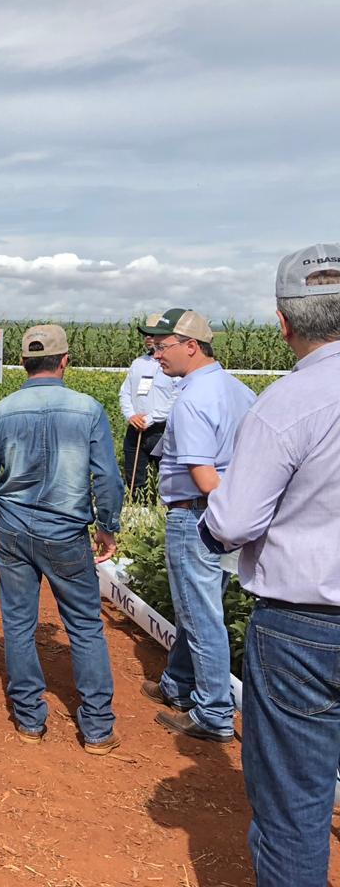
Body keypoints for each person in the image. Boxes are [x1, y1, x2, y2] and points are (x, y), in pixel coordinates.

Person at [201, 244, 340, 887]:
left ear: (282, 322)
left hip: (305, 629)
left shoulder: (286, 404)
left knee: (294, 810)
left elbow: (233, 522)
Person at [0, 325, 124, 753]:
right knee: (86, 626)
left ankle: (30, 719)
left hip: (14, 532)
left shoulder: (0, 413)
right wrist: (107, 525)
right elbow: (107, 477)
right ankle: (96, 728)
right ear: (65, 360)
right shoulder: (87, 409)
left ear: (22, 363)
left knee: (18, 624)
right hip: (67, 532)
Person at [139, 308, 255, 743]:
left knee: (201, 614)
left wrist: (219, 510)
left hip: (196, 513)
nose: (156, 356)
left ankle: (213, 712)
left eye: (162, 346)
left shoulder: (191, 399)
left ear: (192, 346)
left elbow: (204, 475)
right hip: (225, 516)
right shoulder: (240, 391)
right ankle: (176, 683)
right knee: (199, 604)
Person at [118, 314, 178, 500]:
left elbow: (176, 398)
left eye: (153, 334)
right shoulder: (138, 363)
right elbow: (125, 393)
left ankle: (162, 514)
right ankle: (137, 511)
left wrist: (150, 418)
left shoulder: (173, 366)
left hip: (161, 430)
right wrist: (131, 416)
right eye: (147, 334)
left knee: (166, 479)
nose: (148, 338)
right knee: (135, 478)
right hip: (136, 428)